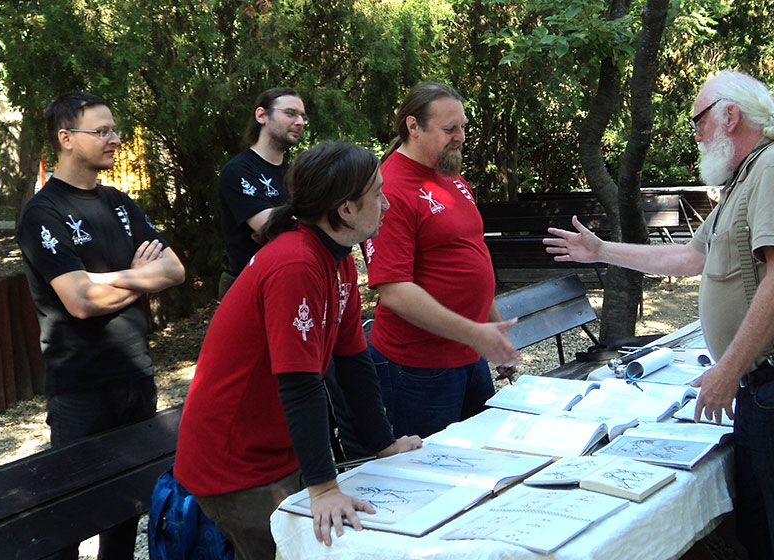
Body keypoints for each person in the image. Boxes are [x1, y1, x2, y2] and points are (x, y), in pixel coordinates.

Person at [544, 70, 774, 558]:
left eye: (698, 121)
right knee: (764, 534)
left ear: (730, 115)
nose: (695, 135)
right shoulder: (749, 176)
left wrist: (727, 370)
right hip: (771, 387)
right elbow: (689, 258)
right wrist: (601, 250)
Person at [175, 142, 422, 559]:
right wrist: (324, 488)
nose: (387, 203)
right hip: (236, 464)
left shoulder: (339, 260)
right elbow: (300, 385)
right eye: (378, 193)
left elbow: (353, 363)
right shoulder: (297, 264)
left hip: (275, 453)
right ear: (346, 209)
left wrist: (384, 445)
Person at [16, 91, 186, 559]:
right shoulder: (43, 213)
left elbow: (174, 270)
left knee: (126, 508)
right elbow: (80, 302)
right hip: (80, 387)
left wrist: (102, 282)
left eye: (114, 129)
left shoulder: (118, 203)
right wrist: (138, 278)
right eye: (102, 131)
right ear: (66, 138)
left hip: (136, 376)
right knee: (69, 519)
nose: (114, 138)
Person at [364, 82, 520, 438]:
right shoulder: (390, 189)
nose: (461, 137)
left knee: (483, 454)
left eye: (463, 127)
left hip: (469, 354)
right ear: (413, 127)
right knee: (429, 466)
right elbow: (394, 291)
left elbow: (470, 257)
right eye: (450, 129)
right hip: (418, 368)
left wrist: (496, 333)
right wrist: (477, 333)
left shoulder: (449, 175)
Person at [217, 86, 305, 299]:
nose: (300, 122)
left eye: (303, 116)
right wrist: (297, 221)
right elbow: (269, 226)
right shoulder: (238, 171)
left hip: (292, 283)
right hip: (250, 289)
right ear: (261, 115)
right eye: (290, 113)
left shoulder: (295, 174)